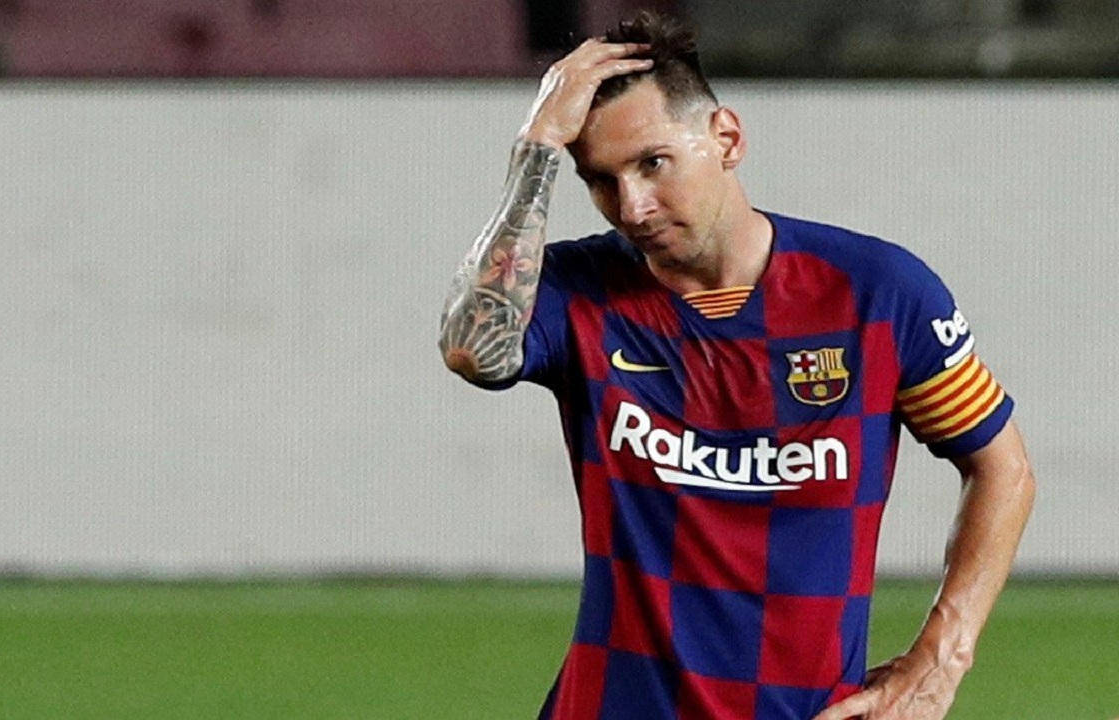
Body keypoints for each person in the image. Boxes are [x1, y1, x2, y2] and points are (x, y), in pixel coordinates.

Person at [437, 10, 1035, 720]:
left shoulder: (875, 293)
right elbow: (474, 348)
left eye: (652, 163)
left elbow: (1003, 469)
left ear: (727, 138)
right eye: (599, 179)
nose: (632, 206)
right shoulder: (578, 292)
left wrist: (941, 659)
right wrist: (536, 145)